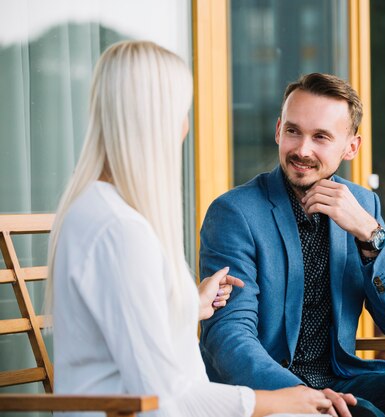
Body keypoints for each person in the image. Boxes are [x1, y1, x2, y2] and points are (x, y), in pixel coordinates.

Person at [48, 41, 341, 417]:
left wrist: (188, 306)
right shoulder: (121, 231)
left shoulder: (95, 208)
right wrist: (288, 399)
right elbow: (167, 398)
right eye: (181, 112)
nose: (186, 126)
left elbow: (121, 336)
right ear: (155, 120)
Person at [199, 73, 385, 417]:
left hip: (342, 377)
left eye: (320, 136)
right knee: (364, 413)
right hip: (271, 390)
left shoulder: (363, 205)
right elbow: (229, 337)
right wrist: (301, 396)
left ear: (351, 147)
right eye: (293, 131)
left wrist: (369, 231)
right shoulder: (235, 213)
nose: (302, 149)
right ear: (278, 130)